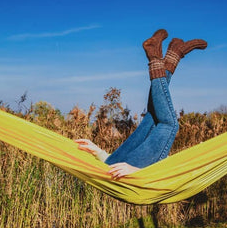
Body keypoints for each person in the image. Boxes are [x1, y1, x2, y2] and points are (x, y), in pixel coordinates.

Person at [76, 29, 207, 179]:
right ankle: (173, 56)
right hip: (123, 168)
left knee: (162, 121)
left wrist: (98, 152)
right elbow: (162, 179)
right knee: (159, 119)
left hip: (118, 166)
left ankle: (161, 56)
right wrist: (133, 170)